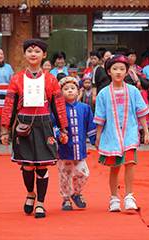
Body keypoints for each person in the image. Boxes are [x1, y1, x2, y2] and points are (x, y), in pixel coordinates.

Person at [0, 39, 68, 218]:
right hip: (24, 124)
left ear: (43, 55)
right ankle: (30, 193)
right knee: (28, 165)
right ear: (24, 55)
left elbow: (58, 106)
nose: (33, 54)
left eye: (37, 51)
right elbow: (10, 105)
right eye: (29, 51)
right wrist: (5, 129)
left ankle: (41, 202)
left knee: (42, 166)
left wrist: (63, 129)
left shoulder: (51, 79)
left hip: (44, 125)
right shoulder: (16, 78)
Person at [94, 54, 149, 212]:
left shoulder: (133, 91)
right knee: (115, 167)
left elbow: (141, 113)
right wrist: (98, 137)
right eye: (114, 69)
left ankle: (128, 196)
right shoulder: (103, 94)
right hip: (111, 135)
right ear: (108, 72)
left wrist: (146, 132)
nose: (118, 72)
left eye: (122, 69)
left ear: (127, 72)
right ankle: (113, 198)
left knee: (130, 164)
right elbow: (100, 118)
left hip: (130, 133)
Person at [54, 76, 97, 211]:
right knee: (64, 175)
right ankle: (66, 198)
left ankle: (77, 193)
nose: (70, 91)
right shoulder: (57, 109)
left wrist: (96, 141)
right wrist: (58, 135)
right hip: (64, 149)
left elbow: (91, 126)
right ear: (61, 92)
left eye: (73, 88)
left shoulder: (85, 108)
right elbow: (53, 126)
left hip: (80, 149)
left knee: (83, 173)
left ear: (78, 91)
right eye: (66, 89)